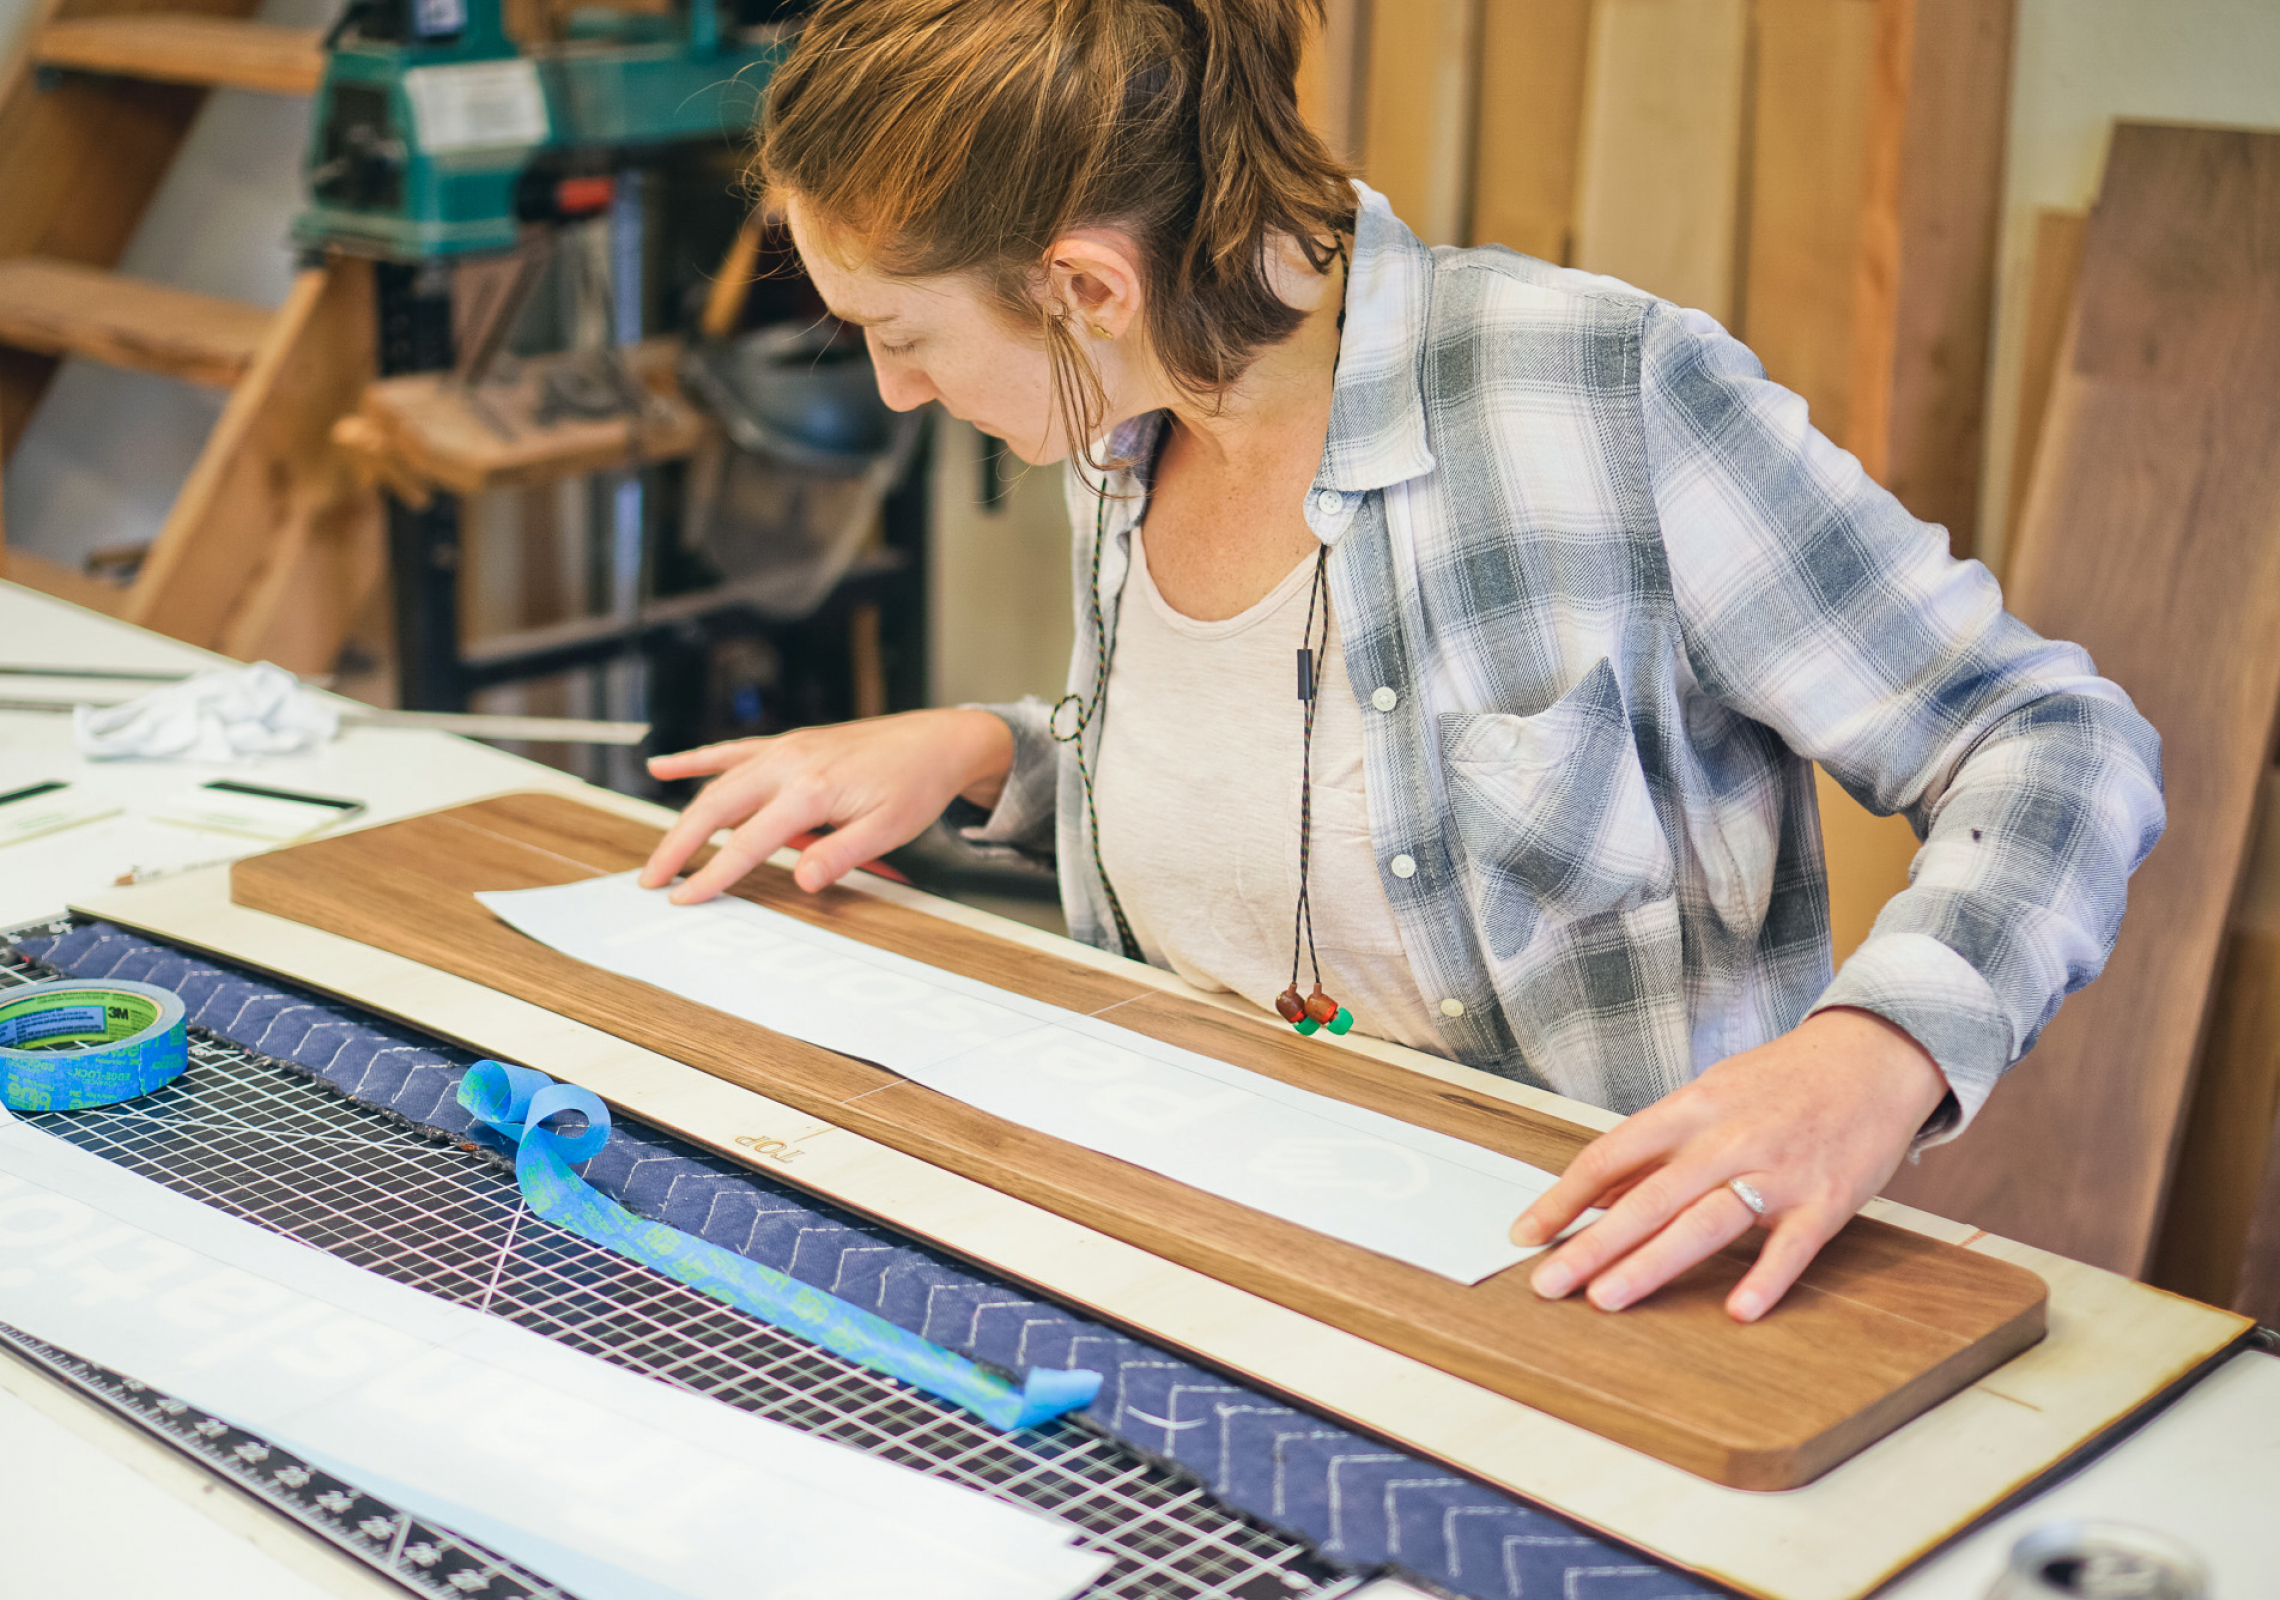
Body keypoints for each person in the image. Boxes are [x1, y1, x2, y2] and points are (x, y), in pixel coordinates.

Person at [638, 0, 2163, 1321]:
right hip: (1196, 1212)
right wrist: (993, 750)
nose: (895, 393)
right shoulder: (1124, 416)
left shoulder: (1599, 396)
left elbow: (2049, 739)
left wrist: (1875, 1055)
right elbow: (1293, 769)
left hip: (1569, 1283)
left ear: (1087, 284)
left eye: (902, 335)